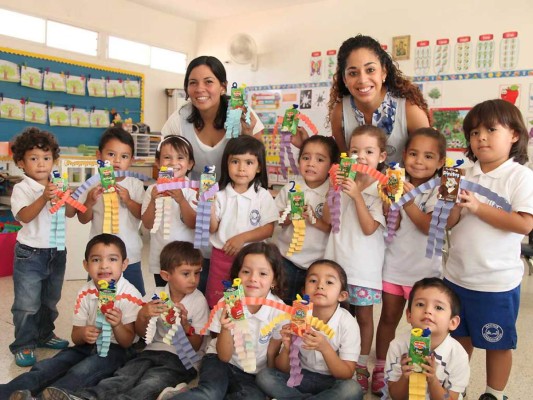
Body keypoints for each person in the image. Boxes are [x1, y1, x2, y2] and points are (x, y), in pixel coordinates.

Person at [444, 99, 533, 400]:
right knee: (457, 338)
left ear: (515, 135)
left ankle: (494, 394)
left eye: (491, 130)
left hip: (496, 282)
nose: (481, 137)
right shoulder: (462, 173)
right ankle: (458, 385)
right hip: (456, 276)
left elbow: (524, 225)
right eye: (474, 132)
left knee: (497, 343)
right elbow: (449, 223)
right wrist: (451, 204)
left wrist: (479, 207)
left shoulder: (520, 176)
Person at [44, 241, 210, 400]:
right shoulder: (157, 295)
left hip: (182, 359)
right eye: (186, 274)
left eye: (197, 273)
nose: (194, 279)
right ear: (166, 275)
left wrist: (186, 325)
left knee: (151, 382)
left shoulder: (198, 301)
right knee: (123, 376)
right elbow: (140, 334)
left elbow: (195, 346)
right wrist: (144, 314)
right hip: (150, 351)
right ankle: (89, 396)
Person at [1, 234, 142, 399]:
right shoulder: (85, 292)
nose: (104, 266)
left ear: (124, 264)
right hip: (85, 346)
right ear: (86, 265)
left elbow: (127, 342)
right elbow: (76, 336)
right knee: (50, 366)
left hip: (115, 351)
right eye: (96, 260)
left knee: (81, 373)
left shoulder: (130, 295)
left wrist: (117, 324)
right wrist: (83, 334)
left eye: (112, 259)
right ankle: (8, 392)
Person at [159, 242, 287, 400]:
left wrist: (268, 388)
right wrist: (226, 329)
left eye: (263, 274)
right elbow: (224, 357)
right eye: (246, 271)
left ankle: (187, 393)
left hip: (251, 372)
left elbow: (272, 352)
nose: (253, 279)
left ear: (274, 280)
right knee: (211, 393)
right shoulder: (227, 304)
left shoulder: (279, 311)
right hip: (218, 360)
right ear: (237, 277)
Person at [372, 127, 446, 395]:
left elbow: (429, 226)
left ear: (440, 162)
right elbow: (392, 221)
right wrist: (389, 200)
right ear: (404, 155)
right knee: (388, 319)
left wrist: (407, 199)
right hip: (393, 267)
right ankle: (381, 367)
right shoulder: (395, 181)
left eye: (428, 156)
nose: (419, 161)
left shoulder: (440, 190)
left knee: (423, 326)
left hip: (425, 275)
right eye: (413, 154)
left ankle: (423, 370)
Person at [323, 125, 387, 393]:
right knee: (335, 316)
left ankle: (361, 364)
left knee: (363, 317)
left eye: (369, 151)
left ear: (381, 157)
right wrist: (334, 189)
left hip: (363, 269)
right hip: (336, 264)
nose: (361, 156)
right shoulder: (341, 180)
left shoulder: (382, 188)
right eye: (355, 150)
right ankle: (338, 363)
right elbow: (328, 219)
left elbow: (369, 227)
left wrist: (357, 195)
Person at [8, 127, 76, 367]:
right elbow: (25, 216)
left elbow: (69, 213)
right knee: (27, 304)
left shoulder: (57, 183)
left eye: (46, 158)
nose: (41, 164)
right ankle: (24, 343)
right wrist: (44, 197)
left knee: (50, 299)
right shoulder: (22, 188)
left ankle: (45, 334)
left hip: (57, 252)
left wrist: (68, 197)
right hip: (31, 254)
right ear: (21, 163)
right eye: (34, 159)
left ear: (53, 160)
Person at [256, 259, 363, 400]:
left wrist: (325, 348)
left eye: (329, 282)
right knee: (265, 376)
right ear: (303, 291)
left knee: (352, 389)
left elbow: (346, 373)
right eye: (313, 281)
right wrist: (287, 348)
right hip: (300, 376)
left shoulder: (348, 323)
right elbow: (283, 368)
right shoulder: (296, 315)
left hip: (332, 381)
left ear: (341, 295)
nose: (320, 286)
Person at [328, 34, 429, 164]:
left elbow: (427, 163)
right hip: (358, 184)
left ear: (383, 72)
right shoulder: (339, 112)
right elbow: (344, 161)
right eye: (353, 73)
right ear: (344, 79)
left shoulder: (410, 110)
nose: (363, 80)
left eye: (370, 70)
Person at [161, 55, 264, 181]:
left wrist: (247, 133)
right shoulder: (180, 117)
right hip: (192, 196)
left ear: (223, 87)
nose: (199, 89)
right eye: (193, 82)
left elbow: (258, 162)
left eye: (208, 82)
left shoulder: (241, 113)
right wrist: (166, 189)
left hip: (234, 195)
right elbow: (164, 159)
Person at [206, 135, 278, 307]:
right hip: (222, 257)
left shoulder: (262, 195)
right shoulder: (219, 194)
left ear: (259, 167)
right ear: (227, 164)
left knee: (248, 300)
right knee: (218, 302)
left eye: (249, 162)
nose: (241, 168)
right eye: (235, 161)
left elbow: (268, 229)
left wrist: (242, 238)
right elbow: (211, 228)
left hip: (253, 259)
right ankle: (217, 331)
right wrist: (208, 204)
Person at [78, 127, 146, 295]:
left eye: (124, 156)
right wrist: (89, 201)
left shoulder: (135, 185)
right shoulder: (92, 184)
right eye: (111, 154)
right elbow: (83, 219)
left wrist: (129, 200)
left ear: (131, 160)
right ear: (98, 156)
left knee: (133, 298)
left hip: (129, 256)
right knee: (96, 298)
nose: (116, 161)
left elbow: (142, 215)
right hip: (99, 257)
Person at [275, 135, 339, 304]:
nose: (311, 163)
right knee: (282, 306)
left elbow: (333, 229)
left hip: (317, 267)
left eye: (320, 159)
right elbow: (278, 221)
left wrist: (314, 220)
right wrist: (290, 216)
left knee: (308, 312)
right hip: (286, 261)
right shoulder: (291, 188)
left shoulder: (332, 192)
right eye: (306, 157)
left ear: (332, 166)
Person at [383, 277, 470, 400]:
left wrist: (433, 380)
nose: (428, 310)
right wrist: (405, 377)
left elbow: (450, 398)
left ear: (453, 322)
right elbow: (396, 396)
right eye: (420, 304)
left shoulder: (458, 355)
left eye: (438, 307)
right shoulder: (398, 345)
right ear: (409, 315)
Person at [141, 136, 197, 287]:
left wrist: (181, 200)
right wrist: (153, 200)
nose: (173, 163)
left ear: (190, 164)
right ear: (158, 163)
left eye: (180, 157)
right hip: (160, 258)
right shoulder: (153, 190)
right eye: (167, 157)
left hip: (187, 260)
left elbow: (193, 223)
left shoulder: (192, 190)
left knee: (188, 298)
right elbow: (147, 224)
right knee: (163, 297)